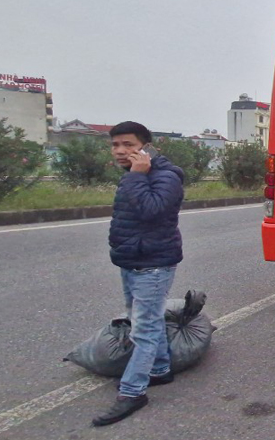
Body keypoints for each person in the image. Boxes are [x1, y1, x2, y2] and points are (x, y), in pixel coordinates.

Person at [93, 121, 185, 427]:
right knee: (145, 319)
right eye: (115, 145)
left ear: (145, 147)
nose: (120, 151)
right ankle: (159, 368)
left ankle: (133, 393)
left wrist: (136, 176)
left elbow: (152, 210)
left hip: (154, 264)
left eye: (128, 145)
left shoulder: (166, 176)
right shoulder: (136, 175)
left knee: (143, 329)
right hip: (132, 260)